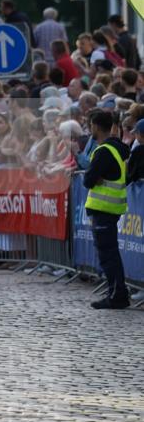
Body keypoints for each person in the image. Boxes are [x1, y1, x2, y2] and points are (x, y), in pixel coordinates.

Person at [83, 109, 131, 309]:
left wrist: (94, 177)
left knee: (108, 255)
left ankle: (117, 295)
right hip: (111, 209)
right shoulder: (117, 148)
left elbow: (88, 180)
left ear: (95, 126)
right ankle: (117, 292)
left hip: (104, 209)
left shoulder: (103, 151)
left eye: (90, 126)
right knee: (110, 254)